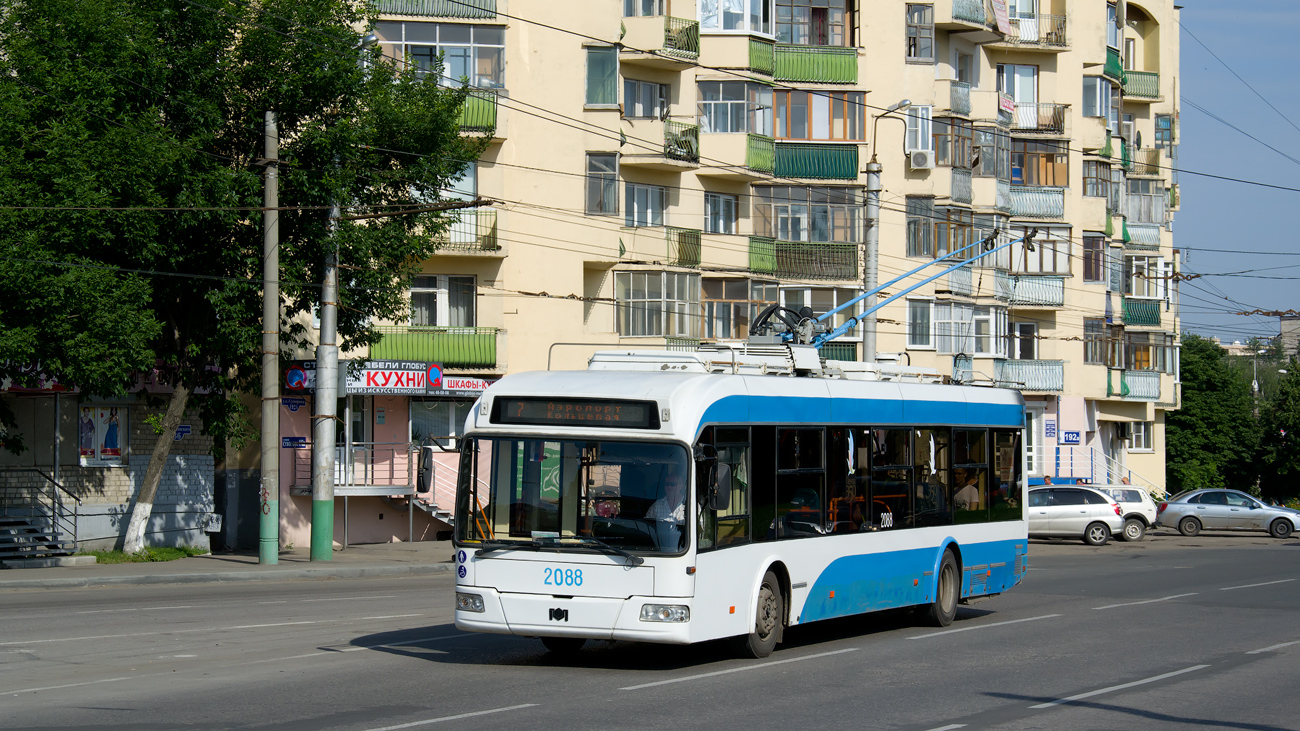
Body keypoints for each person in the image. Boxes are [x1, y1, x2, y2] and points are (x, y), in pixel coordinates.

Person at [645, 463, 687, 549]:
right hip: (660, 548)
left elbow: (699, 532)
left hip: (683, 549)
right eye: (667, 484)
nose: (669, 487)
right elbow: (646, 527)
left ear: (681, 486)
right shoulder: (657, 506)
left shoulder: (690, 506)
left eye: (672, 484)